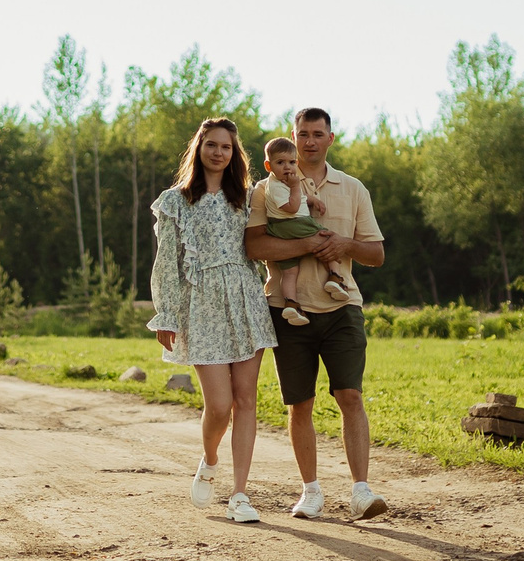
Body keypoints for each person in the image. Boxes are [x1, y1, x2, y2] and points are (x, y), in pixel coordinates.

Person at [243, 106, 386, 521]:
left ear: (330, 139)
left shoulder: (353, 188)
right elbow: (255, 248)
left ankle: (361, 491)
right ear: (293, 136)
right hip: (288, 310)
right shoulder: (266, 188)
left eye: (317, 134)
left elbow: (375, 253)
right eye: (302, 133)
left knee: (351, 395)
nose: (309, 141)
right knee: (299, 404)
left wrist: (342, 244)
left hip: (343, 308)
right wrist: (307, 245)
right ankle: (311, 491)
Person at [148, 117, 278, 524]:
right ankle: (209, 459)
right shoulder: (175, 200)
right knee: (219, 406)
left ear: (234, 153)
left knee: (246, 401)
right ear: (199, 148)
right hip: (200, 305)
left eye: (226, 147)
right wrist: (165, 314)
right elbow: (167, 263)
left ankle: (240, 495)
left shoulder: (249, 196)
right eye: (212, 145)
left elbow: (286, 217)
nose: (219, 152)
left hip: (245, 299)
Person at [252, 136, 352, 325]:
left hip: (280, 231)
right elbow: (291, 206)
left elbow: (295, 196)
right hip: (295, 224)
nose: (287, 167)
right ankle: (335, 277)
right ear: (268, 166)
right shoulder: (274, 185)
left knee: (290, 272)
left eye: (291, 162)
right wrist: (297, 186)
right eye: (280, 162)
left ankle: (291, 304)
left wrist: (310, 199)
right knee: (328, 240)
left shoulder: (280, 183)